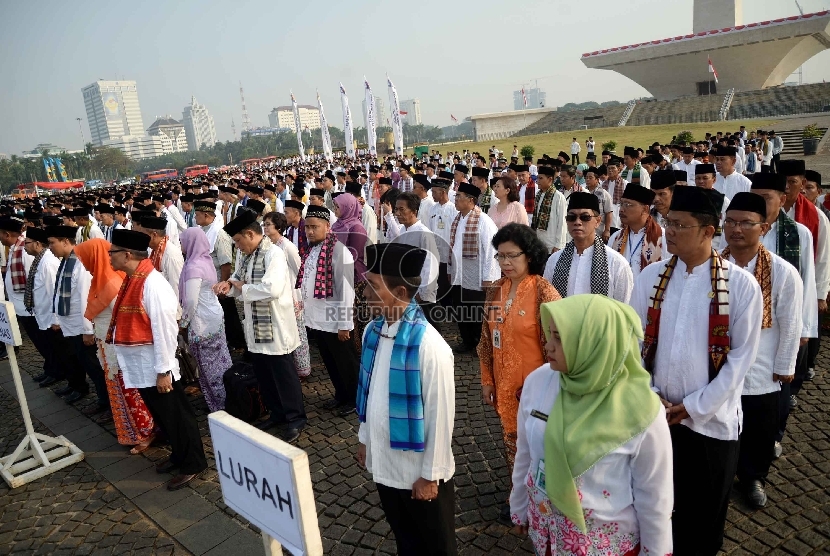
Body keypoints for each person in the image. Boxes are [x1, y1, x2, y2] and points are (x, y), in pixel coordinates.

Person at [631, 186, 762, 554]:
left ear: (708, 231)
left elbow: (740, 360)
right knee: (654, 510)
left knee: (702, 519)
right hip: (655, 417)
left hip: (710, 424)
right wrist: (651, 396)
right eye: (667, 222)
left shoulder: (740, 286)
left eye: (680, 225)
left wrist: (694, 406)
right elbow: (632, 344)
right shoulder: (651, 277)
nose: (669, 231)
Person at [510, 295, 673, 555]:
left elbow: (654, 494)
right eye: (550, 334)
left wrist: (655, 551)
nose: (548, 346)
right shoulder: (539, 382)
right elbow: (526, 452)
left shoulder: (642, 410)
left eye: (559, 338)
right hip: (548, 532)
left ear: (594, 343)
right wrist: (518, 505)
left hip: (607, 545)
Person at [356, 243, 456, 556]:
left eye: (373, 285)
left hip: (419, 473)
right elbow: (369, 393)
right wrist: (364, 439)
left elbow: (441, 418)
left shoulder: (429, 345)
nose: (365, 292)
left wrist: (429, 475)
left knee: (436, 546)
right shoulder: (373, 331)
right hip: (385, 459)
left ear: (400, 290)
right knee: (406, 540)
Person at [107, 229, 208, 490]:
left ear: (127, 254)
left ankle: (193, 463)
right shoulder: (133, 278)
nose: (109, 257)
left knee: (177, 417)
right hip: (142, 366)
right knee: (164, 418)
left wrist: (164, 370)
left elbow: (165, 331)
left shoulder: (153, 283)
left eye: (113, 252)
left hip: (157, 367)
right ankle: (178, 455)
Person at [720, 192, 802, 508]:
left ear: (764, 228)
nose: (736, 229)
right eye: (730, 222)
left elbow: (791, 324)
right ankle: (721, 477)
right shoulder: (714, 264)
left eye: (745, 223)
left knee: (758, 429)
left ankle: (753, 476)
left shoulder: (782, 272)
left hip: (761, 367)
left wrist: (784, 366)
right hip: (718, 364)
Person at [477, 223, 560, 521]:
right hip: (504, 385)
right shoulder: (496, 290)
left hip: (536, 389)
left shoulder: (543, 292)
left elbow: (560, 344)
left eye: (512, 256)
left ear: (529, 255)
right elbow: (487, 339)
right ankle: (520, 497)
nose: (506, 263)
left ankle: (544, 502)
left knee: (538, 446)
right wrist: (488, 379)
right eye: (500, 256)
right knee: (512, 442)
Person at [215, 211, 307, 442]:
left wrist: (242, 287)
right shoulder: (246, 255)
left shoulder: (273, 254)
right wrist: (229, 286)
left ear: (249, 234)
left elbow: (271, 289)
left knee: (284, 376)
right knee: (265, 375)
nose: (237, 246)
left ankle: (295, 418)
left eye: (238, 241)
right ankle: (277, 413)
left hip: (275, 326)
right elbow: (237, 278)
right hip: (256, 327)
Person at [751, 172, 818, 457]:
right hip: (745, 324)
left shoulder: (798, 233)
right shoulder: (740, 229)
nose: (760, 204)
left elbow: (807, 280)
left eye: (766, 198)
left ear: (782, 199)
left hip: (782, 323)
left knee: (779, 386)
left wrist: (805, 328)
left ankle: (773, 437)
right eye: (756, 198)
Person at [74, 238, 156, 451]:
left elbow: (123, 319)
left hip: (119, 348)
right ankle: (131, 432)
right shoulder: (99, 279)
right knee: (119, 391)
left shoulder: (111, 282)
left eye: (85, 258)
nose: (82, 264)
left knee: (130, 391)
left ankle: (145, 431)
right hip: (107, 344)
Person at [298, 205, 358, 416]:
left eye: (315, 227)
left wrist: (344, 325)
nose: (310, 232)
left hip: (335, 320)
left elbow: (346, 292)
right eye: (307, 228)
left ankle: (354, 399)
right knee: (331, 361)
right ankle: (341, 394)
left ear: (327, 226)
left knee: (346, 363)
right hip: (317, 319)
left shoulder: (339, 251)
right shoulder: (313, 249)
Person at [46, 224, 110, 413]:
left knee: (94, 367)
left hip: (81, 327)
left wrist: (88, 330)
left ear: (66, 241)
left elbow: (84, 298)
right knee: (84, 363)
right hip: (71, 325)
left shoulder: (79, 263)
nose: (50, 247)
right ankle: (102, 399)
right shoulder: (66, 260)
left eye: (52, 243)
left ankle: (106, 402)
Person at [544, 192, 633, 303]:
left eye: (585, 217)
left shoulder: (616, 263)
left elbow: (624, 309)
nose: (577, 222)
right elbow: (548, 303)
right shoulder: (554, 260)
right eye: (572, 217)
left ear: (598, 221)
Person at [179, 228, 231, 412]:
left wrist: (183, 323)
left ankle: (221, 406)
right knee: (221, 361)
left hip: (202, 322)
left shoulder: (193, 266)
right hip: (214, 316)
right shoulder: (205, 260)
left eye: (182, 241)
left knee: (210, 367)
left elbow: (191, 301)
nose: (181, 245)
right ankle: (231, 399)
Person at [448, 182, 500, 353]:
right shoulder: (458, 219)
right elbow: (453, 247)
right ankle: (467, 341)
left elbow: (491, 251)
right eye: (456, 196)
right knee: (461, 311)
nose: (455, 199)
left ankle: (481, 345)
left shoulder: (484, 221)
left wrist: (488, 277)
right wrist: (450, 270)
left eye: (459, 197)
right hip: (459, 275)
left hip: (476, 277)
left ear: (471, 200)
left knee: (477, 315)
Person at [261, 211, 311, 380]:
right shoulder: (267, 245)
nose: (265, 227)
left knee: (298, 332)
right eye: (264, 224)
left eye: (268, 224)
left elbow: (299, 270)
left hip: (291, 293)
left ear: (279, 227)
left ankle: (303, 368)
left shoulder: (287, 246)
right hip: (278, 295)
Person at [22, 226, 65, 387]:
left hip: (51, 317)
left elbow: (55, 292)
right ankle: (53, 371)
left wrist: (56, 319)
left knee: (58, 350)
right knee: (50, 348)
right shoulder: (40, 259)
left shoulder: (48, 263)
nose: (25, 246)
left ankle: (67, 378)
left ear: (37, 244)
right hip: (43, 313)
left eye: (27, 243)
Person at [331, 193, 371, 352]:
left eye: (337, 207)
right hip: (338, 274)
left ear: (348, 207)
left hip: (355, 276)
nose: (335, 210)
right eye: (334, 206)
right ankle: (349, 346)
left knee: (359, 315)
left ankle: (362, 350)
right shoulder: (337, 225)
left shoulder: (357, 228)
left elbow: (354, 255)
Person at [609, 184, 665, 279]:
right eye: (621, 204)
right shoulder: (615, 238)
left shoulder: (663, 238)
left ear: (645, 209)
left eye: (627, 205)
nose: (621, 210)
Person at [427, 178, 458, 307]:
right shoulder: (432, 209)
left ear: (443, 192)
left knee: (448, 281)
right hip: (436, 253)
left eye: (434, 192)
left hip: (449, 254)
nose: (432, 195)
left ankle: (449, 308)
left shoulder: (453, 209)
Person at [531, 166, 568, 253]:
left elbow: (562, 222)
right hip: (539, 243)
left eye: (541, 178)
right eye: (537, 178)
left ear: (550, 179)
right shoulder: (538, 195)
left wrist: (559, 245)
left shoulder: (558, 197)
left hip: (552, 245)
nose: (537, 181)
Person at [584, 166, 614, 242]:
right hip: (585, 229)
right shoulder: (583, 192)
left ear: (597, 180)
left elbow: (608, 213)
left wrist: (607, 230)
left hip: (599, 230)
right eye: (586, 177)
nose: (587, 180)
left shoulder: (604, 194)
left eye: (590, 178)